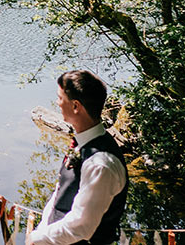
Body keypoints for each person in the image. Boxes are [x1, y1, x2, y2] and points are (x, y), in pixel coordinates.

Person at [28, 70, 128, 245]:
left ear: (75, 106)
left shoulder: (101, 164)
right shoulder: (82, 145)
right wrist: (42, 228)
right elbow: (60, 194)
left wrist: (37, 238)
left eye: (60, 98)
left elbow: (81, 226)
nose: (57, 103)